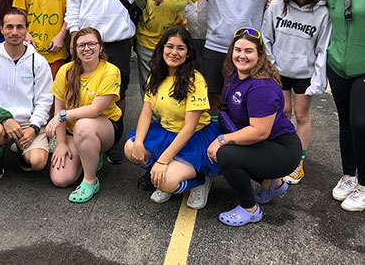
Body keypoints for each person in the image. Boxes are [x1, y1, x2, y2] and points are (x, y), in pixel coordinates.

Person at [193, 0, 305, 115]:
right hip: (216, 45)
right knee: (213, 96)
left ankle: (239, 138)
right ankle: (216, 136)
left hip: (250, 49)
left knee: (247, 98)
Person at [65, 0, 145, 164]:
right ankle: (85, 136)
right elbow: (73, 0)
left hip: (117, 41)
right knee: (84, 90)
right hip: (86, 42)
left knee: (116, 94)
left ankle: (113, 140)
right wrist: (73, 33)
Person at [206, 28, 301, 227]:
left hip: (281, 149)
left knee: (227, 154)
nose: (242, 55)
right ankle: (272, 183)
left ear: (259, 55)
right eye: (238, 50)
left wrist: (221, 140)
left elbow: (259, 131)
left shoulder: (261, 87)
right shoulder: (234, 74)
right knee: (225, 145)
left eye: (248, 51)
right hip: (266, 144)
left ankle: (250, 209)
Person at [125, 27, 220, 208]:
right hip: (165, 132)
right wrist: (138, 143)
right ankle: (164, 174)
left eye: (180, 48)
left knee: (167, 183)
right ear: (162, 49)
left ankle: (200, 182)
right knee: (130, 148)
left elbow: (189, 128)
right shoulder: (156, 75)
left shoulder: (195, 80)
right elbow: (146, 112)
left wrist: (162, 161)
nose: (174, 52)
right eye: (170, 46)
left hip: (193, 138)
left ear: (189, 53)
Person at [262, 0, 331, 185]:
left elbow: (323, 47)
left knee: (301, 116)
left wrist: (318, 78)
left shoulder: (322, 11)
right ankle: (282, 155)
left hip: (304, 73)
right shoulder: (277, 6)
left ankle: (297, 163)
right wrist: (271, 66)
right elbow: (266, 37)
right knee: (283, 113)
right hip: (279, 71)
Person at [46, 27, 122, 203]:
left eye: (91, 44)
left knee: (83, 125)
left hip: (104, 127)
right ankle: (89, 154)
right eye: (81, 45)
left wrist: (61, 116)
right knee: (61, 179)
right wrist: (62, 143)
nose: (86, 49)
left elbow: (95, 110)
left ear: (100, 47)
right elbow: (59, 107)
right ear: (74, 49)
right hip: (74, 131)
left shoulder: (110, 71)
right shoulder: (65, 70)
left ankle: (90, 180)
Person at [0, 9, 53, 181]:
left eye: (20, 27)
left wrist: (34, 127)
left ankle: (22, 148)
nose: (15, 32)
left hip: (29, 120)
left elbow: (45, 99)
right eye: (9, 27)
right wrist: (5, 118)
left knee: (38, 162)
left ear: (27, 29)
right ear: (1, 29)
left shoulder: (39, 62)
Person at [321, 0, 365, 212]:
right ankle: (349, 175)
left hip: (363, 68)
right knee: (346, 123)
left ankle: (364, 184)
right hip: (337, 65)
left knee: (361, 123)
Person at [135, 0, 207, 99]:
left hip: (176, 45)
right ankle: (152, 124)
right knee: (150, 89)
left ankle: (172, 123)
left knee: (175, 88)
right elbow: (138, 0)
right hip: (148, 42)